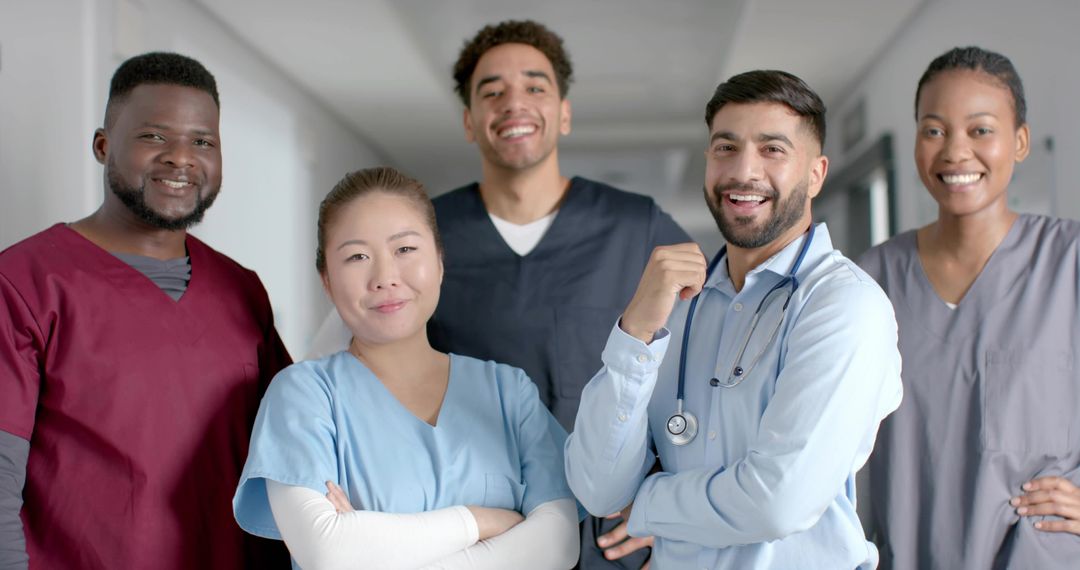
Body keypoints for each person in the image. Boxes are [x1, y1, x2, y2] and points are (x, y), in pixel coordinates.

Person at [307, 20, 689, 568]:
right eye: (492, 92)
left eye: (535, 87)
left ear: (564, 112)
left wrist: (670, 500)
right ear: (469, 120)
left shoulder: (637, 228)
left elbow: (713, 373)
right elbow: (338, 361)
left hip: (610, 537)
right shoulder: (420, 235)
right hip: (473, 535)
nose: (514, 103)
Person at [564, 69, 904, 569]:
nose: (744, 171)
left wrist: (649, 504)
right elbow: (597, 489)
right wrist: (634, 333)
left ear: (816, 174)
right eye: (726, 147)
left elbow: (778, 502)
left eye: (772, 149)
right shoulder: (675, 305)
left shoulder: (845, 306)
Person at [0, 52, 292, 569]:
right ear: (102, 145)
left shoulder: (242, 290)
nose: (181, 158)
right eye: (155, 136)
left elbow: (291, 452)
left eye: (202, 142)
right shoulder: (24, 282)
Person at [233, 166, 580, 569]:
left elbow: (558, 545)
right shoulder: (303, 395)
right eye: (357, 256)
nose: (385, 277)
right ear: (327, 281)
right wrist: (481, 522)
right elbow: (329, 553)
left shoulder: (509, 392)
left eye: (405, 250)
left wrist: (375, 545)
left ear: (439, 261)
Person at [860, 46, 1080, 569]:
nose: (956, 152)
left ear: (1020, 142)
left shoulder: (1069, 263)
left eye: (981, 130)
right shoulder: (870, 280)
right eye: (934, 130)